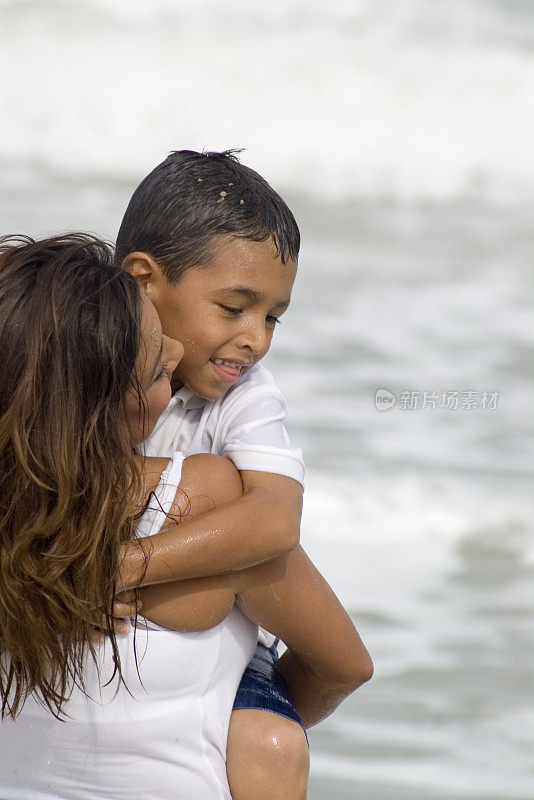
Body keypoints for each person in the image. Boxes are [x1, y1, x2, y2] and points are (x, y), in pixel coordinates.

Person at [0, 234, 372, 799]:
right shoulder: (200, 497)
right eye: (153, 371)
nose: (173, 362)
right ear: (102, 404)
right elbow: (344, 666)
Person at [115, 149, 310, 799]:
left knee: (273, 750)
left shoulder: (246, 395)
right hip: (80, 609)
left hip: (221, 638)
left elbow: (274, 520)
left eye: (273, 317)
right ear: (144, 281)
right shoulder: (75, 354)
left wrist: (114, 570)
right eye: (234, 308)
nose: (256, 338)